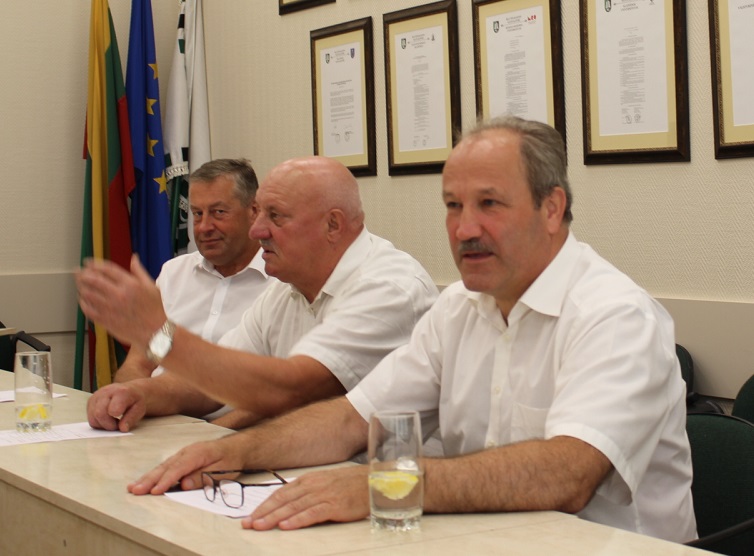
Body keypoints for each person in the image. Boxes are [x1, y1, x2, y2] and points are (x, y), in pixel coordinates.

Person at [125, 116, 696, 543]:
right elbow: (350, 419)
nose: (464, 229)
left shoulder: (614, 314)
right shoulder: (458, 309)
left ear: (552, 209)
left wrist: (383, 484)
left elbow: (566, 474)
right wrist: (232, 453)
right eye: (452, 206)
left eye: (489, 204)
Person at [77, 155, 438, 434]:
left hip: (384, 485)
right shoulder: (278, 286)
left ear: (333, 225)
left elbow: (288, 390)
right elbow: (211, 383)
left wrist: (160, 334)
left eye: (275, 216)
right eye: (196, 213)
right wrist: (139, 394)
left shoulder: (387, 287)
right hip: (288, 460)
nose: (258, 230)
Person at [106, 158, 272, 429]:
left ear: (254, 211)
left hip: (230, 431)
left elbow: (277, 398)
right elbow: (146, 358)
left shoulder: (280, 282)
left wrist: (208, 436)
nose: (204, 227)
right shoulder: (175, 274)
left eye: (218, 212)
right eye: (197, 213)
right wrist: (127, 401)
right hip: (157, 421)